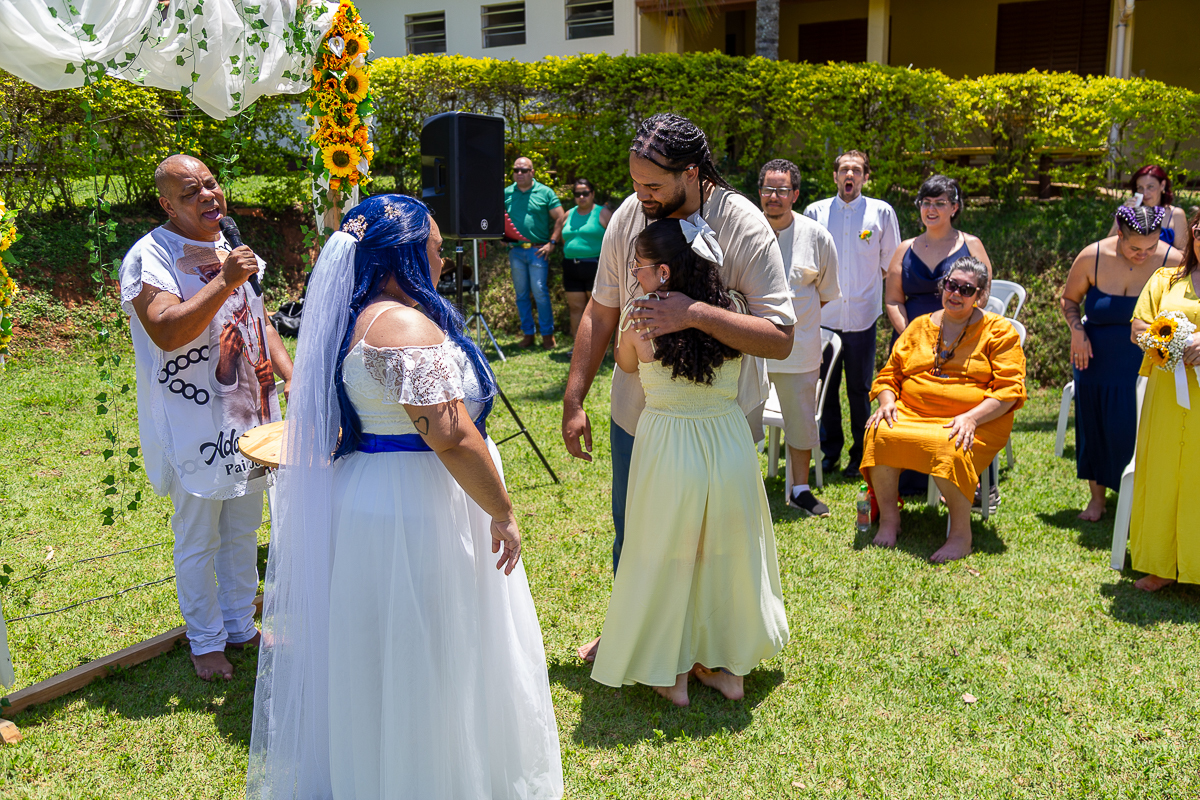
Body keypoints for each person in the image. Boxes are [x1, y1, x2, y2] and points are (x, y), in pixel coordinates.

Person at [247, 195, 563, 798]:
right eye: (436, 250)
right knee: (432, 652)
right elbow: (449, 434)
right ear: (406, 256)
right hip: (417, 506)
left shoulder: (356, 315)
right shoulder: (401, 326)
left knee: (386, 653)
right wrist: (502, 510)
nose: (443, 263)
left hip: (376, 493)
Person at [562, 113, 795, 663]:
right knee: (638, 532)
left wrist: (693, 313)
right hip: (639, 415)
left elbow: (781, 337)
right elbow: (601, 309)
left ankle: (711, 648)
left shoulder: (744, 224)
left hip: (721, 419)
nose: (640, 195)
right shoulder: (629, 215)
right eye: (635, 182)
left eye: (652, 185)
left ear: (691, 173)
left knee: (717, 542)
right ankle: (631, 634)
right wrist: (574, 398)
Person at [590, 217, 789, 706]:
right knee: (728, 555)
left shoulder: (639, 317)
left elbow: (626, 362)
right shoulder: (730, 311)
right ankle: (730, 673)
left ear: (662, 272)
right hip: (727, 443)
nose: (634, 275)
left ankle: (673, 676)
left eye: (638, 267)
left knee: (666, 555)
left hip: (670, 446)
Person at [119, 154, 293, 682]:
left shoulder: (230, 245)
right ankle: (205, 641)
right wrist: (225, 279)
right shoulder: (149, 256)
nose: (207, 196)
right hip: (191, 419)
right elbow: (167, 330)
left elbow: (260, 320)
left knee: (243, 526)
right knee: (198, 535)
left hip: (248, 413)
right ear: (167, 204)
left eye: (210, 184)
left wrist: (293, 375)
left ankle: (239, 625)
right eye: (191, 192)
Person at [861, 257, 1025, 563]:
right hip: (913, 411)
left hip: (977, 419)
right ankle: (890, 520)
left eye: (967, 289)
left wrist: (971, 417)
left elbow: (1009, 391)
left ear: (980, 296)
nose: (956, 294)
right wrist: (887, 402)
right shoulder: (919, 326)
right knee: (880, 433)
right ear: (942, 286)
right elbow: (889, 374)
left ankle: (961, 536)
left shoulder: (999, 331)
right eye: (951, 285)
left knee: (950, 444)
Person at [1061, 206, 1182, 521]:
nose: (1143, 255)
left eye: (1151, 247)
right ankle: (1097, 499)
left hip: (1145, 363)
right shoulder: (1092, 256)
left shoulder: (1173, 261)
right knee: (1095, 426)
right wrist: (1077, 331)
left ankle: (1141, 498)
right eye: (1135, 248)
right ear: (1119, 235)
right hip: (1094, 357)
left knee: (1137, 430)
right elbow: (1069, 299)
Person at [803, 150, 901, 478]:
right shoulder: (815, 212)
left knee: (860, 389)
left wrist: (863, 287)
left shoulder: (881, 213)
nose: (850, 175)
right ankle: (829, 451)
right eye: (844, 169)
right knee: (826, 388)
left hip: (862, 317)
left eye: (856, 170)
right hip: (824, 318)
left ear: (865, 177)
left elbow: (890, 265)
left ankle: (861, 453)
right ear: (835, 176)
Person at [758, 158, 841, 516]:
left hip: (799, 348)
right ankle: (743, 485)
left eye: (782, 190)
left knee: (802, 422)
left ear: (795, 194)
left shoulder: (816, 235)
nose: (774, 196)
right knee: (741, 417)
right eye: (768, 189)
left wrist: (795, 318)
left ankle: (801, 490)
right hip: (750, 349)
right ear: (759, 192)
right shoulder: (745, 230)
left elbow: (825, 291)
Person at [1126, 208, 1200, 593]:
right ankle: (1161, 564)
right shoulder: (1166, 279)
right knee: (1163, 475)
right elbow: (1139, 327)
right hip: (1168, 394)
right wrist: (1173, 342)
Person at [885, 174, 993, 336]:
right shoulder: (904, 249)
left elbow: (981, 296)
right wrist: (909, 335)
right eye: (926, 202)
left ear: (954, 208)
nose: (931, 209)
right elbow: (893, 301)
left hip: (958, 337)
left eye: (940, 203)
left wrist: (955, 333)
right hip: (910, 337)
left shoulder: (972, 245)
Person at [505, 156, 565, 349]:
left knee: (540, 292)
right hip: (515, 251)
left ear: (532, 172)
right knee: (521, 294)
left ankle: (548, 335)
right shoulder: (506, 193)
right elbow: (496, 217)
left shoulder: (545, 192)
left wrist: (552, 242)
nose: (519, 173)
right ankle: (528, 334)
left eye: (524, 170)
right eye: (516, 170)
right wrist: (500, 236)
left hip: (538, 250)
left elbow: (561, 217)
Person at [552, 177, 611, 340]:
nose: (581, 197)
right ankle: (577, 347)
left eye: (585, 193)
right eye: (577, 194)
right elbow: (564, 239)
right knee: (576, 309)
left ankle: (599, 347)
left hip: (595, 266)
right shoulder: (569, 214)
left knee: (597, 310)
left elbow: (615, 239)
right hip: (571, 266)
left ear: (592, 194)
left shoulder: (603, 213)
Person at [1107, 164, 1189, 254]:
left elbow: (1184, 253)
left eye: (1150, 187)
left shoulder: (1176, 214)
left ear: (1162, 185)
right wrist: (1121, 216)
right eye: (1140, 188)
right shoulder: (1130, 214)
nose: (1145, 193)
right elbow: (1108, 247)